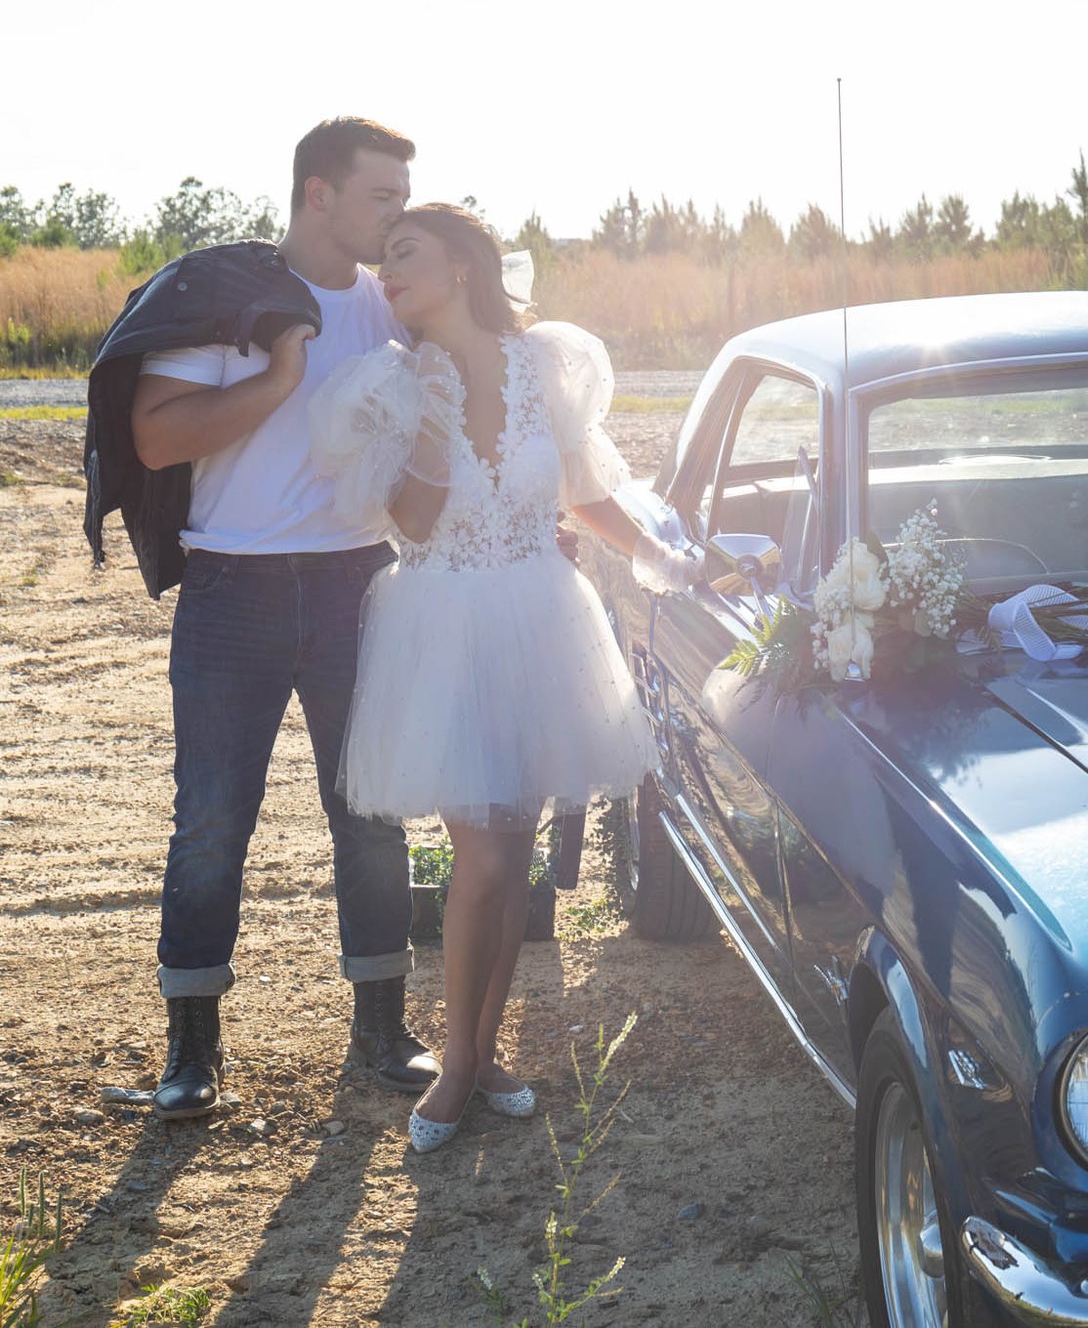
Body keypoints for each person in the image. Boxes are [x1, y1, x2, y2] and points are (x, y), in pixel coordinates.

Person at [307, 203, 680, 1152]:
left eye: (404, 253)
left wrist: (668, 561)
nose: (385, 272)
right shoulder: (390, 385)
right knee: (478, 859)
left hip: (541, 615)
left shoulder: (542, 365)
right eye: (383, 257)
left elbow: (585, 495)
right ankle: (458, 1067)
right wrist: (429, 415)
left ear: (463, 268)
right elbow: (417, 525)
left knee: (511, 860)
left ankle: (486, 1045)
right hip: (443, 627)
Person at [131, 118, 441, 1120]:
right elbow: (153, 435)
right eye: (381, 194)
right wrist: (276, 376)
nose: (398, 210)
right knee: (214, 821)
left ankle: (383, 1036)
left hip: (360, 582)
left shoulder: (397, 306)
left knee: (372, 814)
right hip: (234, 590)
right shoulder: (228, 297)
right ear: (320, 194)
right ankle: (193, 1056)